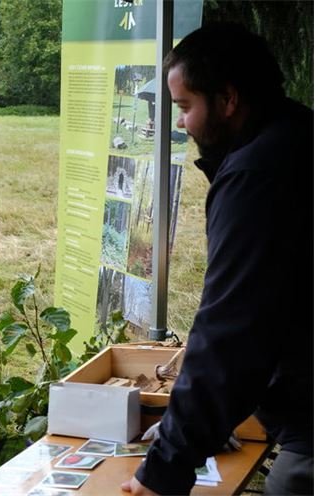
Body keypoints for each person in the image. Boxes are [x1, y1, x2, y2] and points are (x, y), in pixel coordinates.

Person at [121, 23, 313, 495]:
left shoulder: (257, 174)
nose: (181, 122)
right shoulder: (299, 133)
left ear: (227, 99)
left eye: (186, 107)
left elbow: (233, 328)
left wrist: (165, 468)